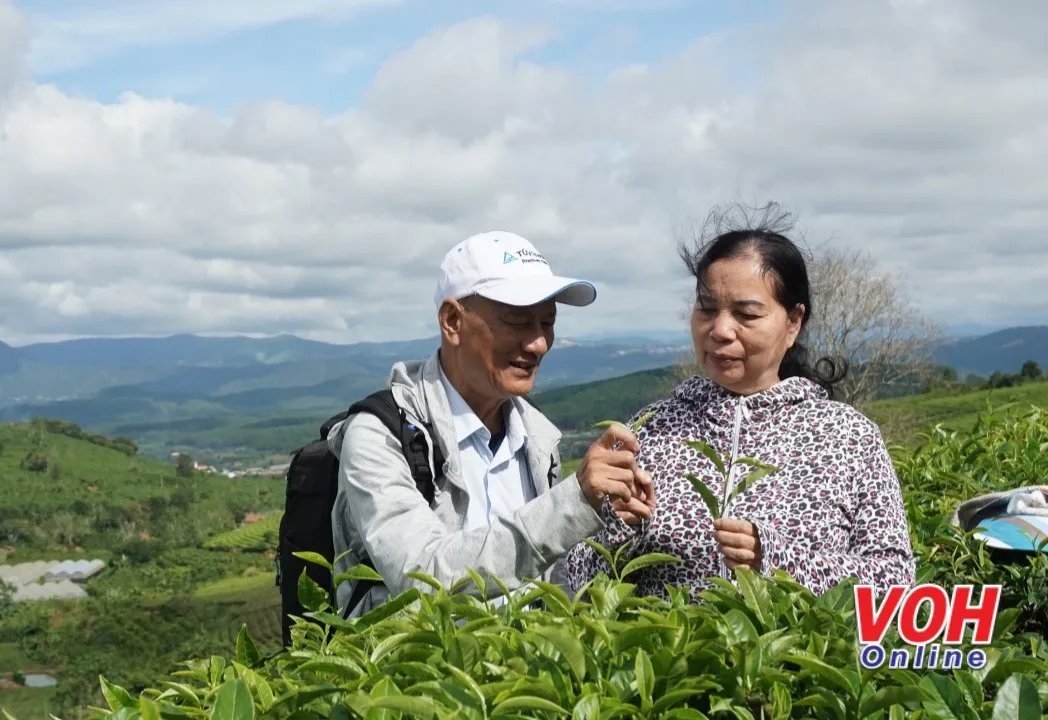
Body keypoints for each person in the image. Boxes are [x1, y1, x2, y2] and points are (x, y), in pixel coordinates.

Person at [563, 205, 916, 599]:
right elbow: (578, 585)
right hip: (670, 657)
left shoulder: (848, 437)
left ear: (793, 322)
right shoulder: (651, 430)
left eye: (746, 314)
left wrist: (778, 559)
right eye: (707, 309)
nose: (720, 330)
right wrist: (619, 531)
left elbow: (896, 583)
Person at [327, 231, 656, 618]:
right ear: (452, 321)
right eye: (516, 322)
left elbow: (547, 583)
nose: (538, 344)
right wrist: (572, 503)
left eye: (547, 322)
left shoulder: (537, 439)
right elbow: (423, 580)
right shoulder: (380, 435)